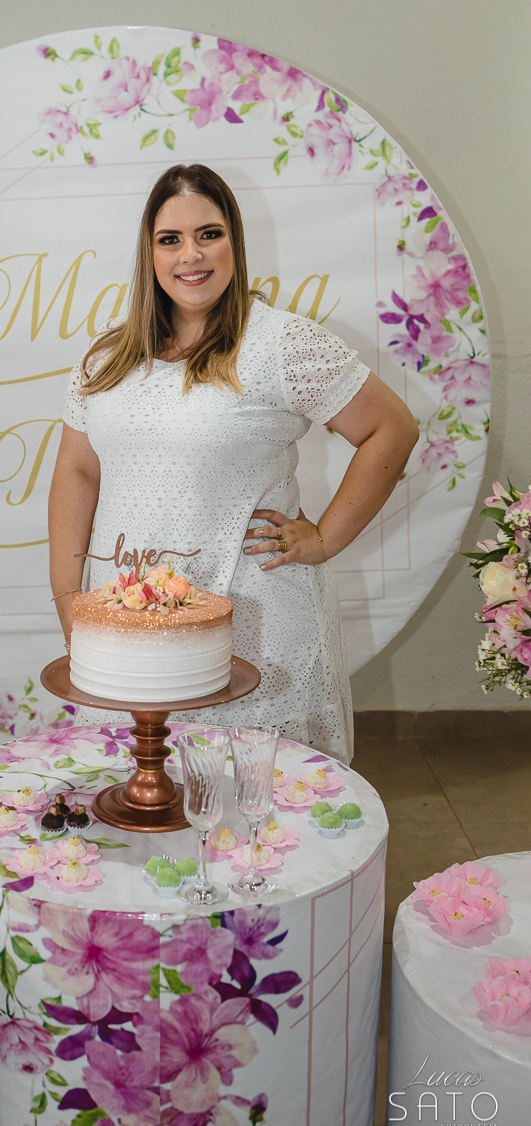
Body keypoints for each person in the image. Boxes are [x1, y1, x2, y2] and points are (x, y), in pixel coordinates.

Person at [48, 164, 418, 763]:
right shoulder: (107, 357)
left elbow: (390, 428)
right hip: (129, 626)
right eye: (171, 239)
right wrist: (68, 595)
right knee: (141, 801)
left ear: (235, 243)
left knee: (257, 817)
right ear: (149, 252)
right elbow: (78, 472)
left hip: (260, 625)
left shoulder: (282, 343)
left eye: (209, 234)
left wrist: (324, 536)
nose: (191, 255)